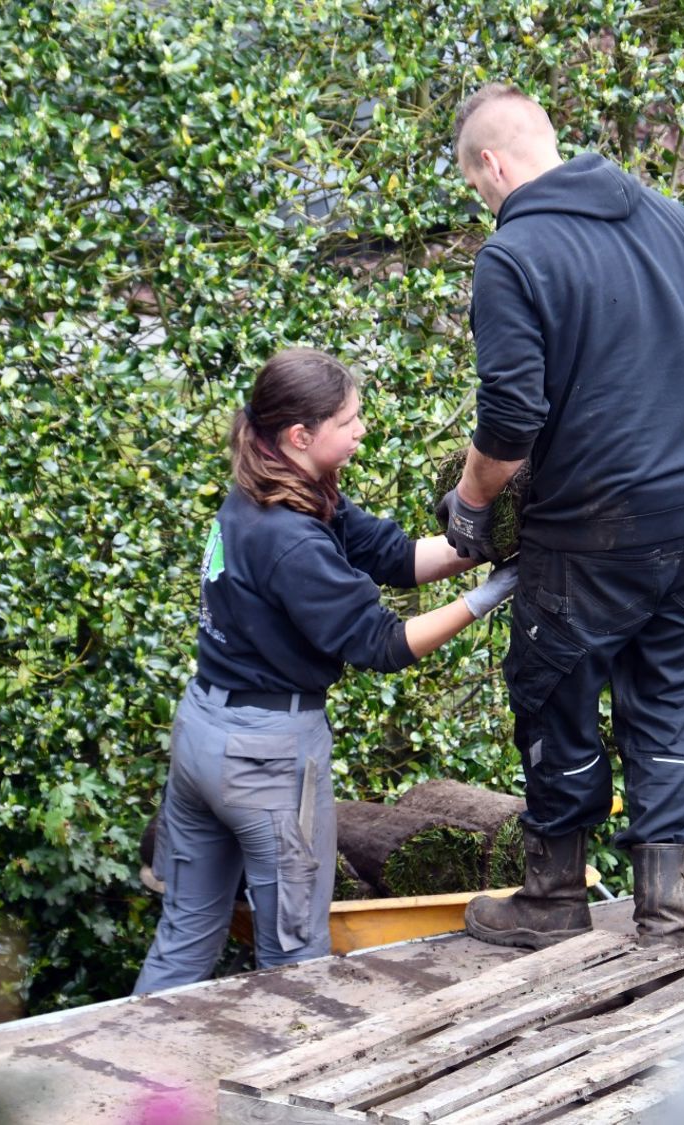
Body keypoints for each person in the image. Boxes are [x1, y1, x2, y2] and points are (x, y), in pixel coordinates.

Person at [439, 84, 684, 953]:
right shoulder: (673, 217)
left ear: (493, 165)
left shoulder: (515, 253)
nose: (486, 202)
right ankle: (668, 915)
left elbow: (509, 418)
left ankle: (554, 897)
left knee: (557, 690)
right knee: (668, 700)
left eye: (478, 187)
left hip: (593, 527)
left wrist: (470, 501)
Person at [132, 347, 518, 994]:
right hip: (264, 754)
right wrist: (486, 597)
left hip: (202, 730)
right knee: (293, 955)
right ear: (300, 434)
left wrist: (485, 544)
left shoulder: (272, 493)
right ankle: (282, 1087)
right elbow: (383, 643)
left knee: (184, 939)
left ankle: (140, 1090)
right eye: (350, 418)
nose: (362, 428)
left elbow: (395, 556)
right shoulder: (290, 540)